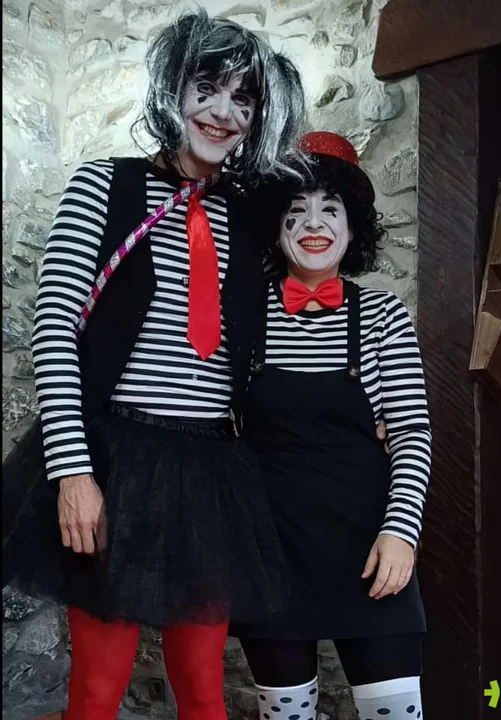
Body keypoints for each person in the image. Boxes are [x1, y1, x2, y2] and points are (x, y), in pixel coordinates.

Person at [2, 9, 307, 720]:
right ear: (174, 88)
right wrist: (73, 473)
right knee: (98, 687)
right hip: (114, 460)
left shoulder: (251, 218)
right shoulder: (102, 186)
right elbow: (54, 328)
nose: (224, 111)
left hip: (210, 469)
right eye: (208, 87)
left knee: (203, 686)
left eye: (244, 98)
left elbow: (289, 305)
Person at [232, 132, 432, 720]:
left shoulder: (382, 314)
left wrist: (401, 533)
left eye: (330, 209)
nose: (313, 224)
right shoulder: (244, 315)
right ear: (276, 228)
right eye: (296, 211)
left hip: (370, 548)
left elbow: (411, 433)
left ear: (352, 228)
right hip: (271, 554)